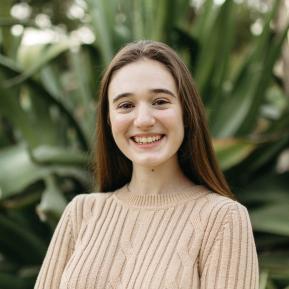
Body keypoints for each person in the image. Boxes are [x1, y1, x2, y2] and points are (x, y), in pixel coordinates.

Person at [34, 40, 259, 289]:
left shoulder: (222, 219)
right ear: (109, 120)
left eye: (160, 101)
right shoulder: (81, 213)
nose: (143, 120)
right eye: (126, 105)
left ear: (186, 112)